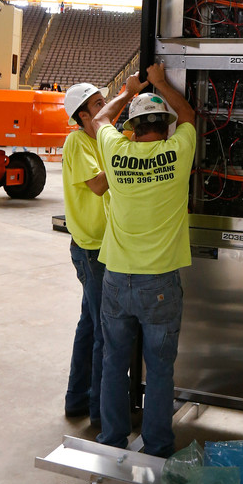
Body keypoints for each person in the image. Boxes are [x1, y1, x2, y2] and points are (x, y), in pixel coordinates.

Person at [92, 63, 196, 455]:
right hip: (160, 285)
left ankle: (112, 440)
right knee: (160, 371)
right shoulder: (178, 152)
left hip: (117, 279)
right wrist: (161, 83)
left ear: (132, 130)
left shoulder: (115, 151)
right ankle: (156, 447)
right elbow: (188, 115)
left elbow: (101, 117)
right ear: (166, 128)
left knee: (114, 365)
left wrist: (129, 89)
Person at [61, 82, 109, 427]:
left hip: (104, 244)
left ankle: (77, 400)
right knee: (104, 330)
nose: (105, 107)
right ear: (82, 115)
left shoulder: (101, 139)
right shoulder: (77, 142)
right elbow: (98, 185)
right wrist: (134, 155)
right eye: (98, 104)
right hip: (92, 248)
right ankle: (98, 411)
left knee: (90, 324)